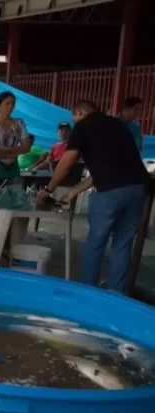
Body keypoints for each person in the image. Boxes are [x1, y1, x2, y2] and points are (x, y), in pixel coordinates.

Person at [42, 100, 150, 293]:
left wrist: (48, 189)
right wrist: (75, 190)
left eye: (73, 117)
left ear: (81, 112)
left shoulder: (83, 127)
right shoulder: (118, 125)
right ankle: (116, 294)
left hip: (110, 193)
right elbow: (106, 168)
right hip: (138, 188)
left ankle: (87, 292)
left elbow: (67, 162)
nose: (73, 122)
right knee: (123, 245)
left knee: (96, 243)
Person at [0, 91, 31, 182]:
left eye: (13, 104)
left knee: (15, 193)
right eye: (7, 103)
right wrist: (16, 151)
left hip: (13, 167)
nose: (10, 106)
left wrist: (5, 149)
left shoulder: (19, 123)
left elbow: (27, 147)